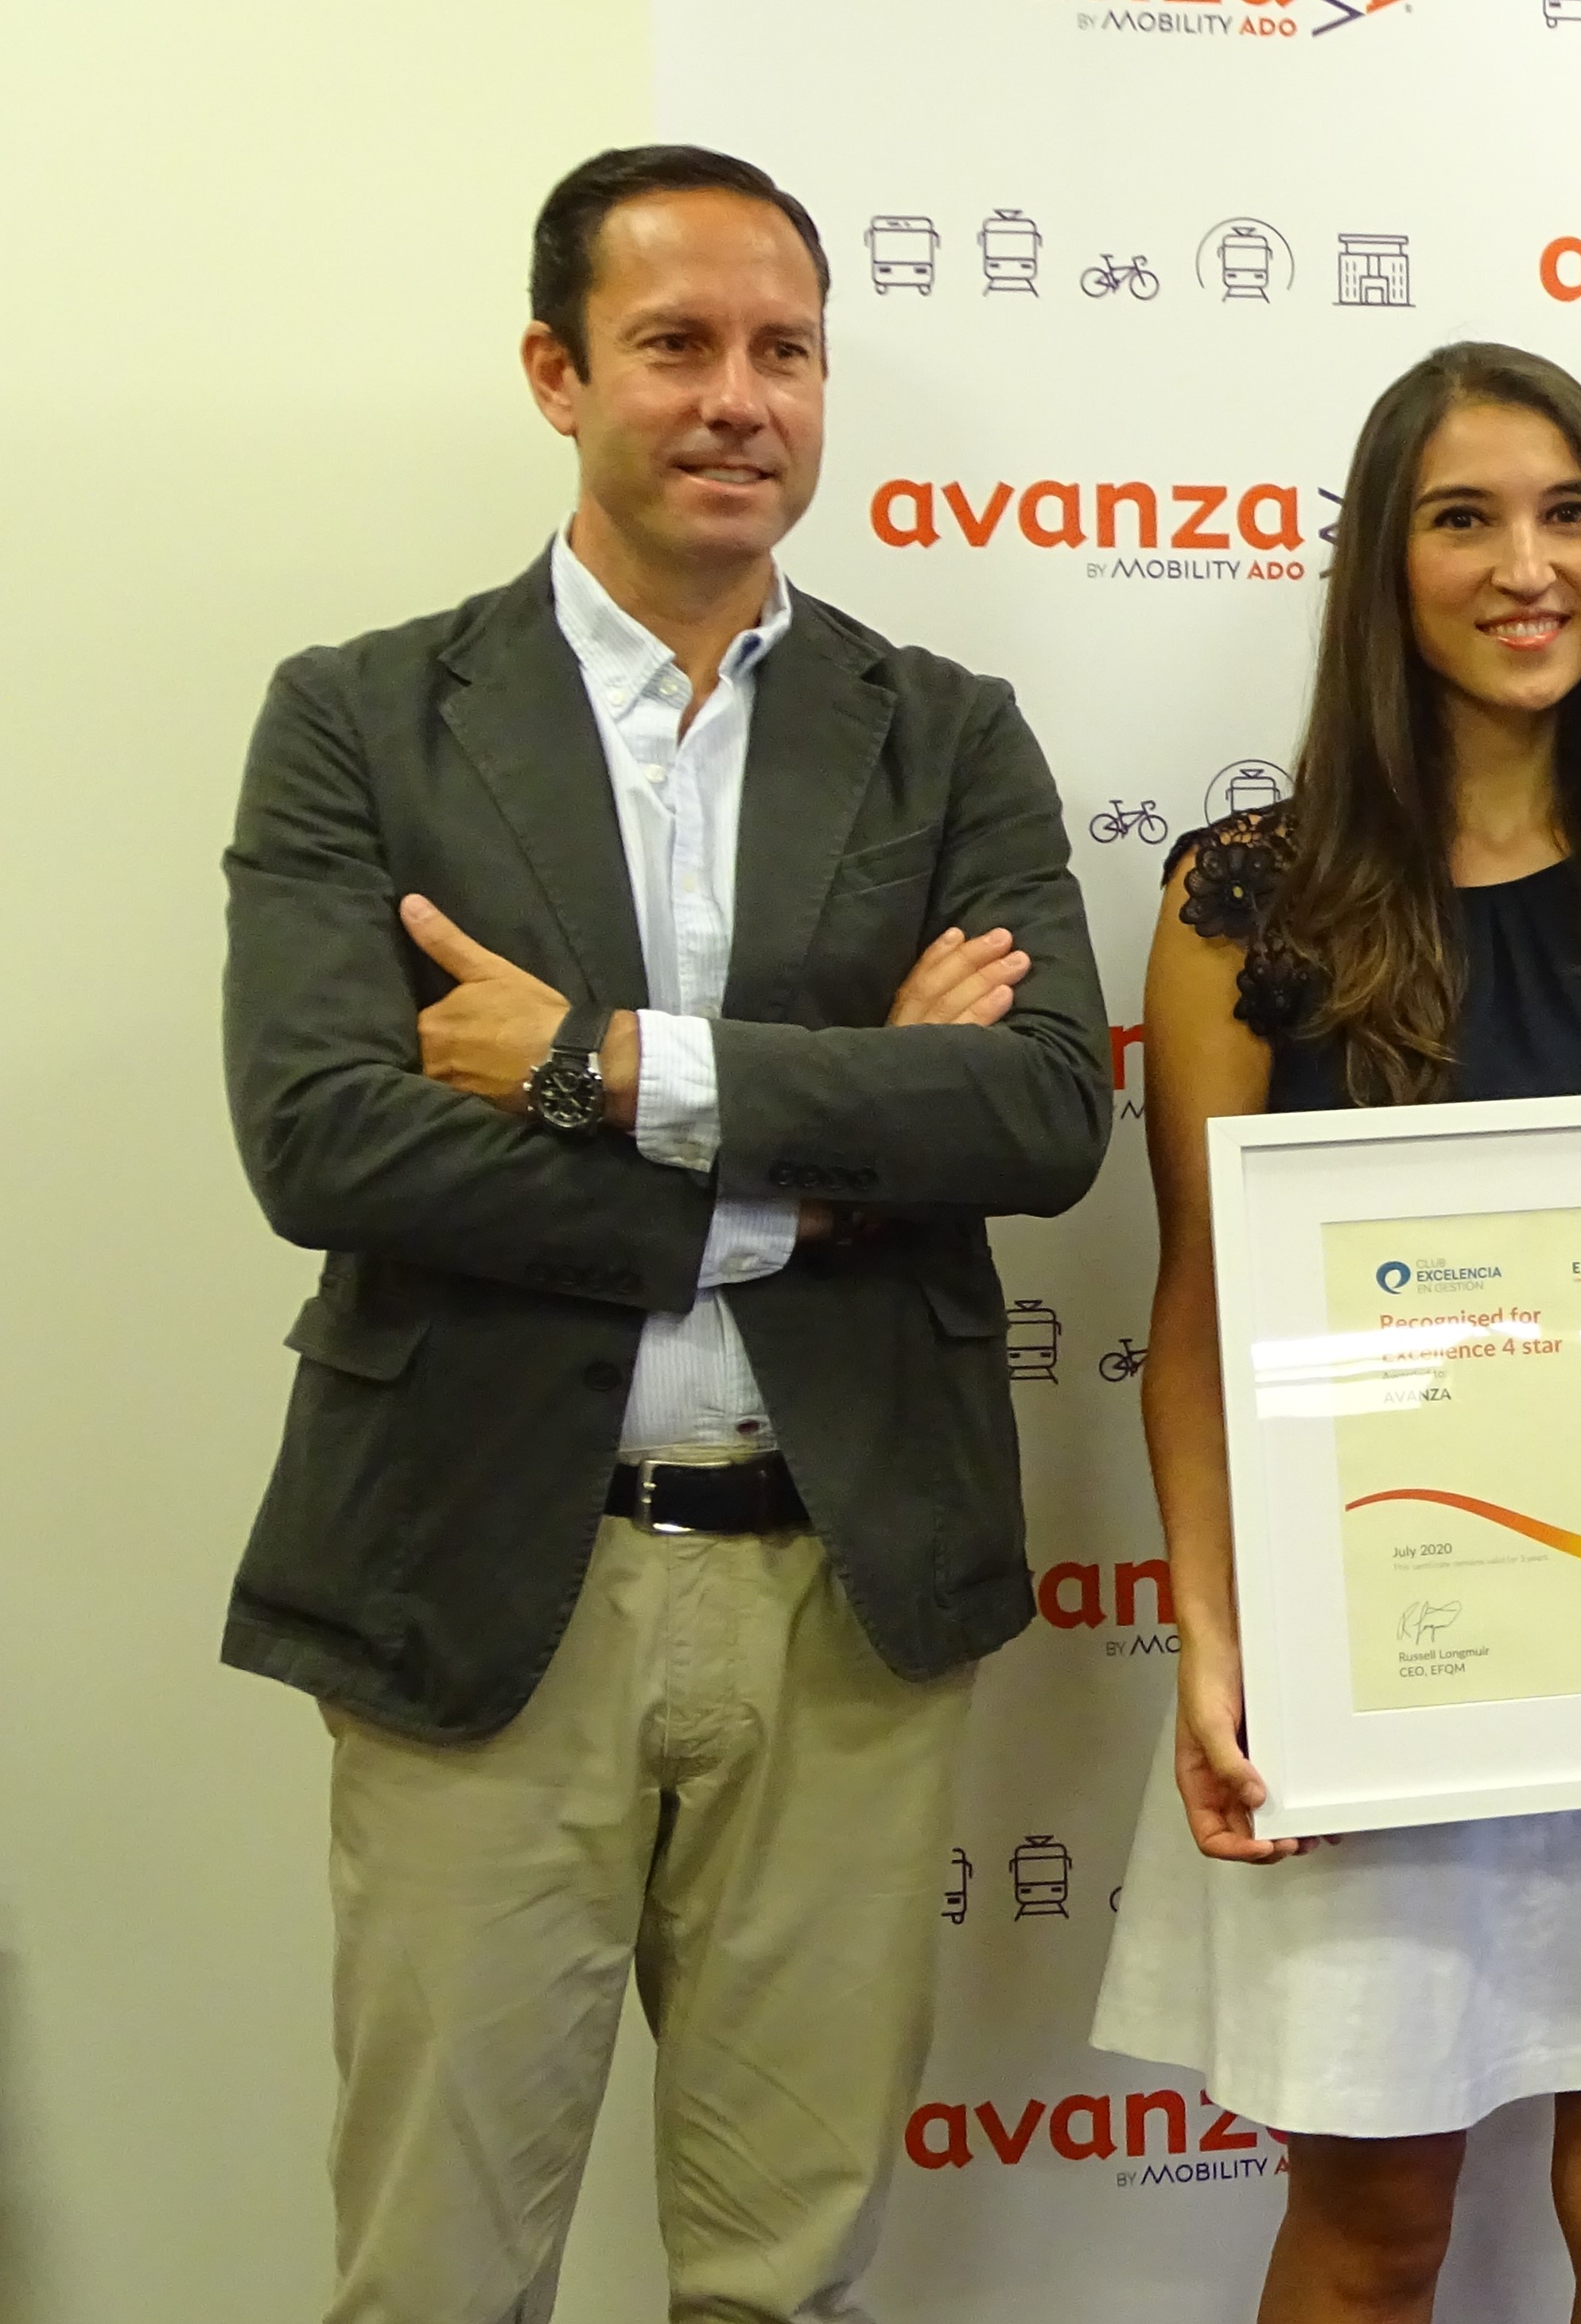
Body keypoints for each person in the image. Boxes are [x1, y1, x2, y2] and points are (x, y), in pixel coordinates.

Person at [219, 145, 1111, 2322]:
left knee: (785, 2274)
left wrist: (602, 1061)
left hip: (843, 1584)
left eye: (783, 351)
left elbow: (1033, 1110)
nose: (738, 399)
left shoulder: (944, 733)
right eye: (676, 345)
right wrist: (829, 1149)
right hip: (483, 1578)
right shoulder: (362, 717)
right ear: (558, 373)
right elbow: (329, 1142)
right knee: (435, 2273)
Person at [1090, 342, 1581, 2324]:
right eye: (1465, 519)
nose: (1528, 566)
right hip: (1367, 1650)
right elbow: (1197, 1310)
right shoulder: (1247, 898)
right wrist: (1215, 1635)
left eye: (1569, 514)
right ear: (1384, 568)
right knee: (1376, 2219)